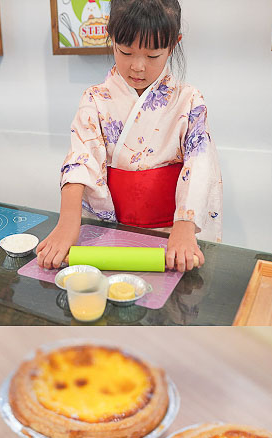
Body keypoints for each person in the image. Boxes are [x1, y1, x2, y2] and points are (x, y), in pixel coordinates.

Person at [36, 0, 222, 272]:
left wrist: (185, 226)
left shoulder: (188, 100)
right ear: (110, 38)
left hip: (171, 230)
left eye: (152, 56)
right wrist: (67, 222)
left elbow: (200, 163)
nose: (137, 66)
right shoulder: (95, 99)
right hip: (111, 226)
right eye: (125, 52)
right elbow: (81, 159)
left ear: (174, 43)